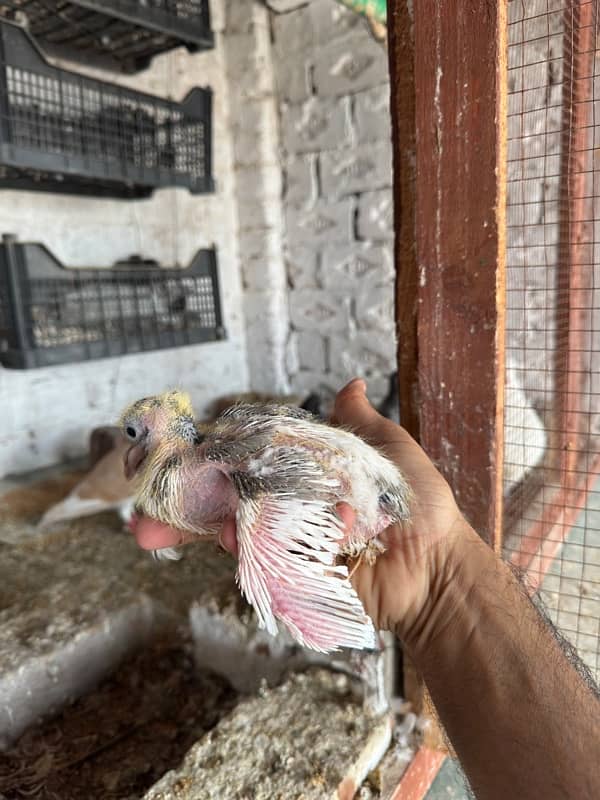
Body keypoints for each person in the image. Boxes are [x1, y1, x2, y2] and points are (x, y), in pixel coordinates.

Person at [132, 378, 600, 800]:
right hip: (357, 497)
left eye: (135, 435)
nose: (132, 452)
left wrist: (281, 573)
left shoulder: (224, 460)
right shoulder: (215, 451)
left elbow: (274, 478)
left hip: (364, 502)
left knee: (265, 562)